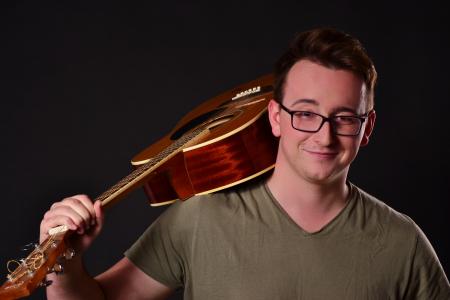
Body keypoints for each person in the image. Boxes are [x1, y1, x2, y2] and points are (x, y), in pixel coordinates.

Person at [40, 28, 450, 299]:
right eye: (305, 113)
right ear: (275, 117)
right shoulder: (200, 216)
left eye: (344, 117)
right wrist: (63, 261)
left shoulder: (403, 244)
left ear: (367, 126)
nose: (323, 136)